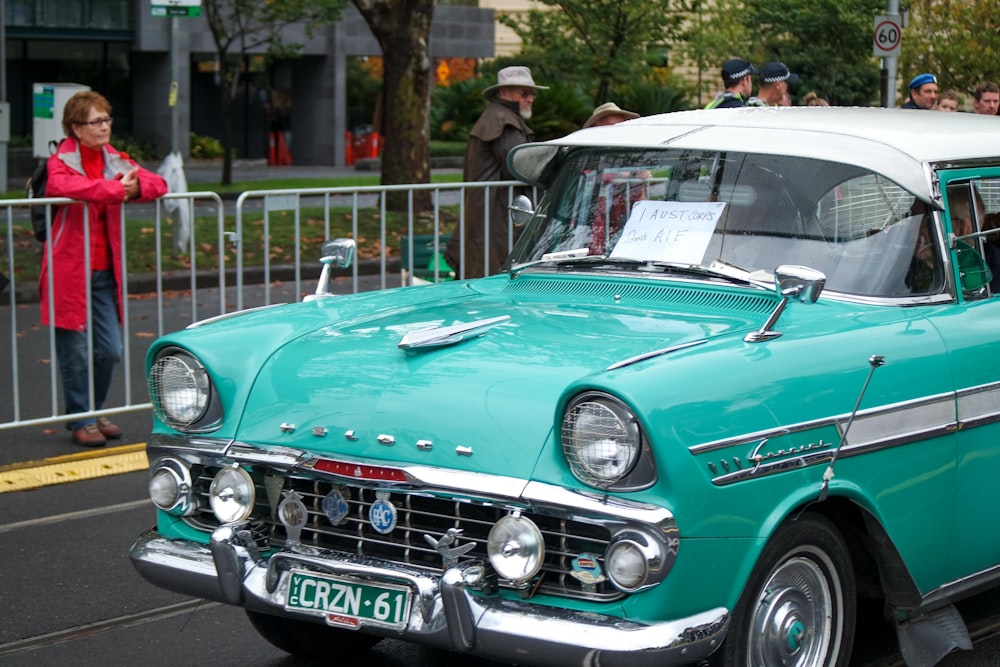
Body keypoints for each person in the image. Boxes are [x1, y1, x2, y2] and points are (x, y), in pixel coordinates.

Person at [40, 90, 168, 446]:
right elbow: (62, 185)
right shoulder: (61, 159)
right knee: (76, 351)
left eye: (107, 119)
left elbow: (159, 183)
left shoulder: (114, 159)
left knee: (109, 349)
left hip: (104, 273)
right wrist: (114, 190)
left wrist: (134, 186)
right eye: (97, 121)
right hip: (69, 271)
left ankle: (91, 414)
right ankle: (81, 419)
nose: (105, 127)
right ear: (76, 128)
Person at [444, 66, 546, 278]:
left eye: (533, 93)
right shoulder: (503, 120)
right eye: (524, 93)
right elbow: (520, 166)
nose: (531, 99)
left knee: (487, 270)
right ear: (504, 92)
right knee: (496, 275)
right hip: (496, 214)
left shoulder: (499, 117)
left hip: (491, 211)